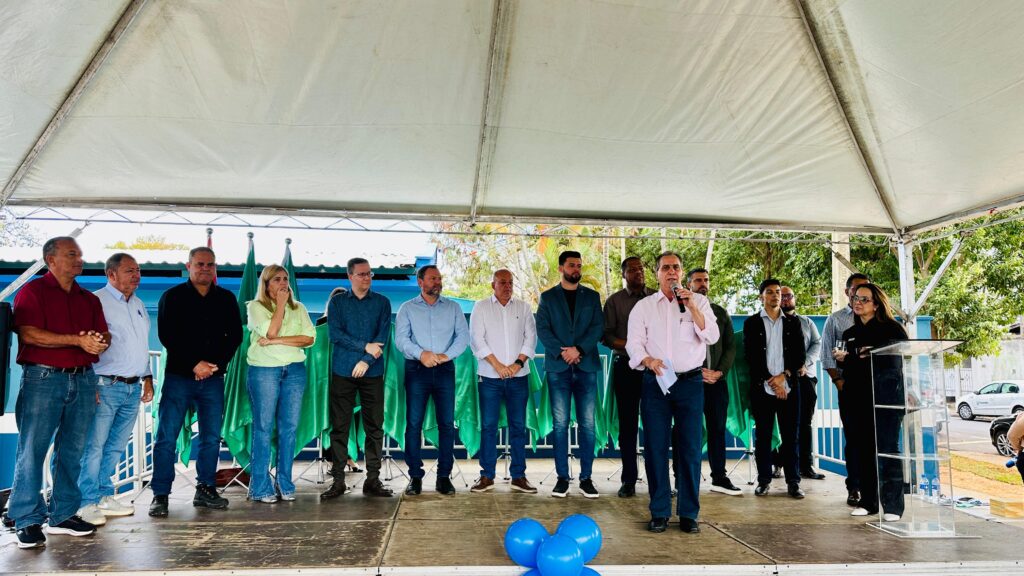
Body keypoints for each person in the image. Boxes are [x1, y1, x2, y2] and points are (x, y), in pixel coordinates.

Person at [11, 237, 109, 548]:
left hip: (83, 379)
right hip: (43, 379)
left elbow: (103, 334)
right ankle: (26, 519)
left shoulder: (89, 299)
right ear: (51, 260)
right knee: (33, 450)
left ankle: (63, 513)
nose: (79, 259)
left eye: (80, 254)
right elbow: (28, 332)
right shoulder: (33, 291)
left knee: (72, 451)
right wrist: (78, 341)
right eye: (72, 254)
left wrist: (98, 340)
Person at [626, 251, 719, 534]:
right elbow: (633, 344)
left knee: (690, 448)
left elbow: (712, 336)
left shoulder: (699, 301)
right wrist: (647, 361)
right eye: (665, 267)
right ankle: (660, 511)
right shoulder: (644, 306)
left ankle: (689, 513)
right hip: (655, 383)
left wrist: (692, 307)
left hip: (690, 383)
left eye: (676, 267)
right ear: (657, 273)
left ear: (681, 273)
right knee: (655, 447)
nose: (671, 272)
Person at [150, 247, 242, 517]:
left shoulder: (225, 298)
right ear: (188, 266)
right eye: (200, 264)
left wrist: (214, 366)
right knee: (167, 437)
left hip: (213, 379)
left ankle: (206, 489)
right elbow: (168, 336)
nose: (205, 268)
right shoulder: (173, 297)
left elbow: (234, 336)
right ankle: (160, 494)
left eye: (210, 264)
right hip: (179, 377)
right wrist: (194, 364)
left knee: (211, 438)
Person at [76, 253, 154, 527]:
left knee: (116, 446)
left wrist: (147, 377)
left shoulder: (140, 304)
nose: (136, 275)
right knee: (93, 446)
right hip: (103, 385)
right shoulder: (95, 301)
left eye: (138, 270)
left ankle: (104, 495)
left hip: (132, 387)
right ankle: (84, 502)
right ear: (111, 274)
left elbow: (139, 345)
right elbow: (85, 344)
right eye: (130, 271)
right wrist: (88, 384)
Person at [833, 283, 908, 520]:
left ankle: (893, 507)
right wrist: (848, 358)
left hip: (886, 399)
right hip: (857, 400)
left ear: (876, 304)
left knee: (887, 450)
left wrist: (859, 356)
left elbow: (893, 360)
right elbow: (852, 363)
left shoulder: (893, 329)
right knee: (863, 451)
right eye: (855, 298)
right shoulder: (849, 334)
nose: (858, 302)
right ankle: (868, 502)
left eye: (864, 299)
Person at [321, 258, 394, 499]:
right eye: (361, 274)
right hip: (343, 372)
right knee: (339, 427)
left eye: (369, 274)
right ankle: (338, 481)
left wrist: (366, 361)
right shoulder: (338, 303)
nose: (367, 278)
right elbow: (335, 335)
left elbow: (382, 337)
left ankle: (372, 480)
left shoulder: (383, 302)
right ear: (350, 276)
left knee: (374, 427)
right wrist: (364, 347)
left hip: (372, 373)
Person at [395, 265, 470, 495]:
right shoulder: (407, 308)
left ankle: (444, 477)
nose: (437, 282)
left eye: (439, 278)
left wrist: (445, 356)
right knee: (414, 424)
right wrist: (422, 354)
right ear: (420, 282)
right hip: (417, 369)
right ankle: (415, 477)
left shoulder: (453, 307)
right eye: (432, 278)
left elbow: (463, 337)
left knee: (447, 424)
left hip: (445, 369)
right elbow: (401, 340)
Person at [536, 250, 604, 498]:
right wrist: (562, 352)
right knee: (560, 424)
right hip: (558, 368)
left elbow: (598, 326)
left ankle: (586, 478)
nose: (576, 269)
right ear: (561, 268)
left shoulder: (592, 297)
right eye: (571, 265)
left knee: (587, 424)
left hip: (586, 367)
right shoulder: (547, 297)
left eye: (579, 265)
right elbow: (542, 329)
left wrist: (580, 350)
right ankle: (562, 477)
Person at [245, 264, 316, 503]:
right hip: (264, 370)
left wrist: (276, 341)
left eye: (285, 279)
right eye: (277, 279)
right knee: (264, 428)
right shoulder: (255, 307)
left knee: (289, 429)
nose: (283, 283)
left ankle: (284, 483)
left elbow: (309, 339)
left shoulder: (301, 308)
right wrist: (281, 306)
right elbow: (271, 331)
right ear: (266, 284)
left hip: (295, 371)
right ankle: (260, 487)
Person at [469, 269, 538, 494]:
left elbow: (531, 338)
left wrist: (516, 365)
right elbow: (476, 340)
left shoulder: (524, 307)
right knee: (488, 427)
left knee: (518, 427)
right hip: (490, 377)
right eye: (502, 282)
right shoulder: (481, 307)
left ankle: (518, 476)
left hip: (518, 377)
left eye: (510, 282)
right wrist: (498, 366)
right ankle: (486, 476)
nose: (507, 286)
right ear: (493, 285)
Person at [744, 278, 806, 499]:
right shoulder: (752, 323)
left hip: (789, 387)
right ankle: (763, 481)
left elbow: (800, 355)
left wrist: (783, 377)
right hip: (763, 388)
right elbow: (751, 356)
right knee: (763, 437)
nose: (775, 295)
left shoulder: (793, 322)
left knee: (791, 437)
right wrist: (772, 381)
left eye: (778, 292)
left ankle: (793, 482)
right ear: (762, 297)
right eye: (769, 292)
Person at [601, 257, 653, 498]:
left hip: (656, 369)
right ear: (623, 274)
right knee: (628, 426)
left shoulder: (657, 297)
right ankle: (629, 480)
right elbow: (607, 337)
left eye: (641, 268)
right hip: (627, 368)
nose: (638, 272)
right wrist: (636, 347)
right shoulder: (614, 302)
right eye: (632, 269)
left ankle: (658, 480)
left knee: (657, 425)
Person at [688, 267, 740, 496]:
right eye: (698, 280)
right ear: (689, 284)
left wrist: (719, 372)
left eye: (706, 280)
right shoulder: (681, 310)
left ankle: (719, 477)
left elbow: (730, 346)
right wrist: (697, 371)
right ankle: (683, 477)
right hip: (689, 381)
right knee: (686, 429)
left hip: (716, 381)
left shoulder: (720, 312)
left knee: (717, 429)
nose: (703, 284)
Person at [820, 273, 870, 507]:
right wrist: (839, 383)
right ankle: (855, 487)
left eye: (865, 291)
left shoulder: (881, 321)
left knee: (876, 439)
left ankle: (878, 488)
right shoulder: (837, 321)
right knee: (854, 438)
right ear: (847, 292)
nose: (860, 295)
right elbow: (826, 356)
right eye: (856, 290)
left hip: (878, 389)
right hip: (850, 386)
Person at [781, 286, 824, 480]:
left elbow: (817, 344)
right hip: (780, 379)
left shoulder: (807, 322)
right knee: (780, 423)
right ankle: (777, 464)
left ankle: (806, 466)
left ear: (794, 298)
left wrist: (804, 363)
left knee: (804, 422)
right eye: (781, 296)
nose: (785, 299)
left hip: (805, 378)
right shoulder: (772, 323)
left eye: (789, 295)